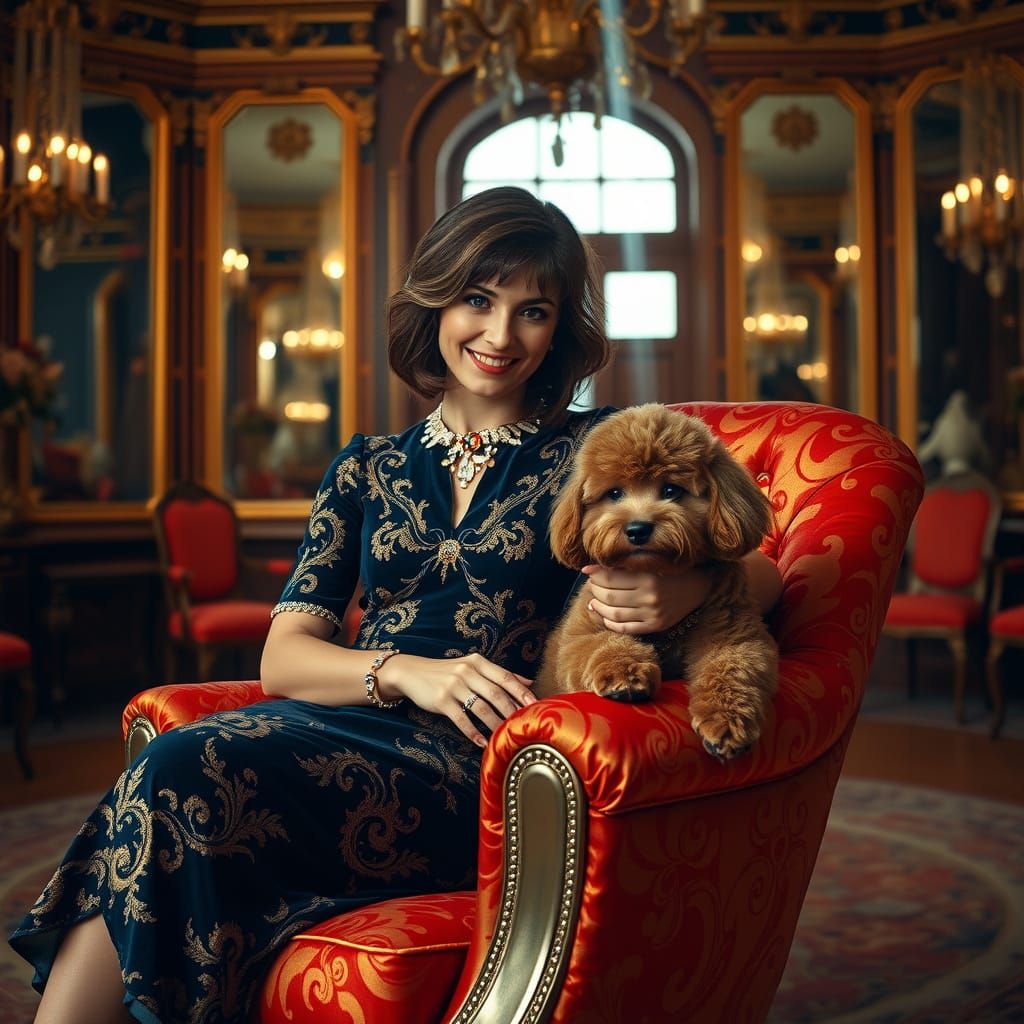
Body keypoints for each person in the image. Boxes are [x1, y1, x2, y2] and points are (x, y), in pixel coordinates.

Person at [9, 186, 782, 1024]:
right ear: (436, 299)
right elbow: (284, 659)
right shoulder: (365, 466)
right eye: (477, 300)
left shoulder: (600, 448)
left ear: (560, 329)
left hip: (492, 765)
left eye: (533, 311)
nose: (498, 335)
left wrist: (685, 586)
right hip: (352, 722)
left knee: (175, 772)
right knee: (176, 775)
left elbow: (770, 575)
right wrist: (410, 672)